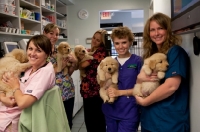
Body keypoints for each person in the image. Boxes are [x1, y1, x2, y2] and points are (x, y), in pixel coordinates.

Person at [135, 12, 190, 132]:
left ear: (168, 29)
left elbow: (171, 86)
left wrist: (144, 102)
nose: (156, 33)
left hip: (169, 123)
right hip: (150, 120)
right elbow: (141, 80)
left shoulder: (175, 52)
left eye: (160, 28)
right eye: (152, 30)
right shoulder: (150, 56)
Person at [0, 35, 55, 132]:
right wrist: (3, 97)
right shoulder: (32, 67)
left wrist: (15, 85)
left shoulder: (44, 73)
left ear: (47, 54)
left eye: (38, 50)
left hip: (16, 116)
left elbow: (22, 103)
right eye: (30, 49)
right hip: (9, 108)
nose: (32, 54)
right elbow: (4, 85)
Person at [101, 26, 142, 132]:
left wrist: (119, 92)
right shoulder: (110, 62)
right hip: (110, 110)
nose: (120, 46)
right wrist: (104, 80)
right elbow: (102, 86)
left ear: (130, 42)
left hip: (129, 110)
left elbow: (143, 89)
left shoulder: (138, 62)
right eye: (117, 43)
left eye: (124, 42)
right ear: (113, 44)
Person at [43, 23, 78, 129]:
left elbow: (69, 72)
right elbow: (40, 74)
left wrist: (74, 62)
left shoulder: (61, 49)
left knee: (67, 123)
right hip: (51, 94)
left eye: (57, 34)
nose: (54, 36)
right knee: (53, 125)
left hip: (68, 92)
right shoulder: (41, 52)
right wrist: (60, 67)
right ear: (44, 33)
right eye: (51, 33)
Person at [78, 29, 108, 132]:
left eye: (98, 40)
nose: (94, 41)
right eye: (94, 38)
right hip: (88, 91)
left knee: (95, 121)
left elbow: (83, 64)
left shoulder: (101, 52)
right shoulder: (92, 50)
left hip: (94, 91)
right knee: (91, 120)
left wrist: (76, 61)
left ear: (102, 42)